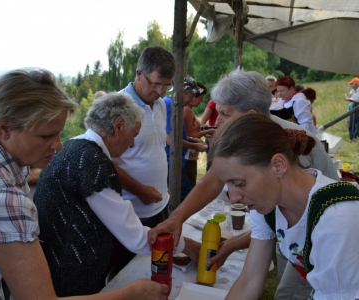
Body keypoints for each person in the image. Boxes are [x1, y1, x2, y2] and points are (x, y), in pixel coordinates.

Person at [0, 68, 168, 300]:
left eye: (58, 134)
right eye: (45, 136)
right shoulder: (1, 199)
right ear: (4, 128)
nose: (58, 145)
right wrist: (132, 293)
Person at [149, 70, 340, 300]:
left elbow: (294, 225)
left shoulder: (288, 147)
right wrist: (176, 219)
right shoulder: (257, 165)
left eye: (224, 114)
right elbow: (215, 182)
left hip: (322, 239)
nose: (216, 121)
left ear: (249, 115)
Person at [33, 92, 199, 297]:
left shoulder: (73, 145)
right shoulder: (92, 161)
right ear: (119, 126)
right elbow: (135, 238)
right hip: (72, 276)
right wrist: (186, 245)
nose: (131, 144)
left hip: (57, 263)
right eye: (134, 135)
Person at [210, 114, 359, 299]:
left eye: (239, 183)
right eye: (228, 185)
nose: (233, 198)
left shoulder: (334, 219)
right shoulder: (267, 202)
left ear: (278, 165)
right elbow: (250, 280)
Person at [113, 46, 175, 227]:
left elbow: (155, 149)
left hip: (159, 204)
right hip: (130, 211)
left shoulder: (161, 104)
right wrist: (139, 191)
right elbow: (104, 161)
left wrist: (162, 185)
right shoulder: (117, 106)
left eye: (167, 85)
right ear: (139, 74)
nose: (161, 91)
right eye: (156, 84)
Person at [164, 76, 207, 200]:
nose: (192, 100)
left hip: (175, 161)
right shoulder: (171, 106)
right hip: (171, 162)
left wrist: (191, 140)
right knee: (186, 199)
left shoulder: (174, 105)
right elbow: (170, 140)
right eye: (191, 96)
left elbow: (174, 135)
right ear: (182, 92)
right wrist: (194, 146)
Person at [183, 81, 214, 187]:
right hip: (188, 155)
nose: (201, 102)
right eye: (200, 98)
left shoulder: (189, 110)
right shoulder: (187, 110)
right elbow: (187, 136)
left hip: (191, 155)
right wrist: (208, 132)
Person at [200, 98, 218, 171]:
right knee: (211, 165)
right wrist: (210, 138)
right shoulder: (213, 102)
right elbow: (202, 123)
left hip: (225, 138)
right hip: (212, 138)